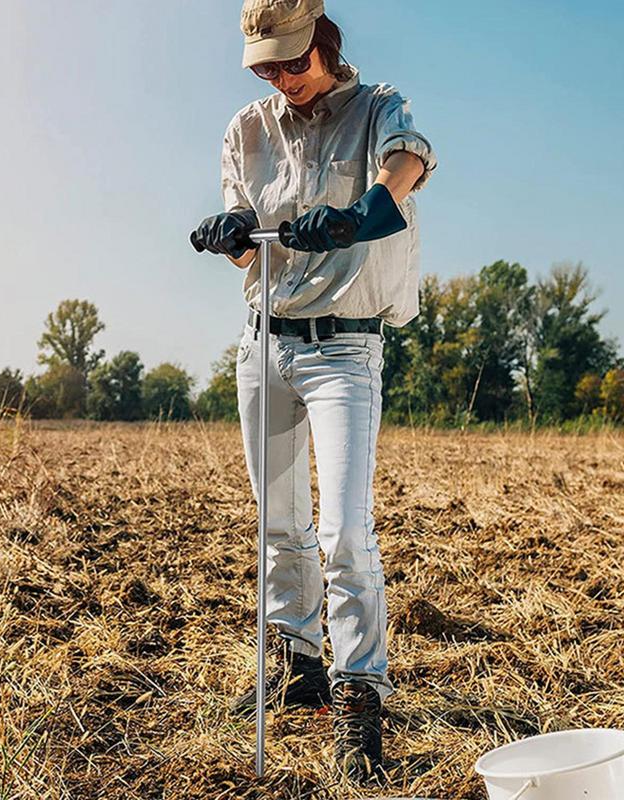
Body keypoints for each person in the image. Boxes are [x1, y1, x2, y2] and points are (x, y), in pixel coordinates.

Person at [191, 0, 437, 786]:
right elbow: (247, 249)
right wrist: (231, 235)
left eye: (292, 61)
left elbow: (406, 168)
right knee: (278, 522)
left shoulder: (377, 108)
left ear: (323, 44)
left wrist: (358, 215)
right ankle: (293, 661)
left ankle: (359, 691)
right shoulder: (247, 130)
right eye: (266, 66)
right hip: (264, 342)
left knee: (343, 533)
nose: (281, 77)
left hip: (345, 349)